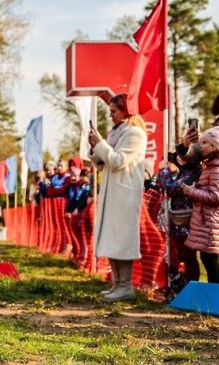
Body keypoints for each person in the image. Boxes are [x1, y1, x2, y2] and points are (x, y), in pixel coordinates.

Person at [89, 93, 147, 302]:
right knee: (112, 239)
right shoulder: (117, 132)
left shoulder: (135, 134)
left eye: (114, 111)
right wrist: (95, 147)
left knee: (122, 240)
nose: (111, 115)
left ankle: (126, 285)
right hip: (112, 194)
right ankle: (117, 283)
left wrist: (101, 145)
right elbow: (102, 163)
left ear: (125, 111)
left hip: (125, 195)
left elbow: (118, 160)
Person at [182, 127, 219, 284]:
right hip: (208, 220)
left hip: (212, 221)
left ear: (216, 146)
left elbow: (217, 196)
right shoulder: (213, 165)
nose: (201, 146)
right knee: (208, 259)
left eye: (205, 143)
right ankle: (214, 296)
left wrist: (192, 191)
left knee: (209, 259)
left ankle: (217, 297)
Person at [157, 153, 201, 291]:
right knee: (182, 255)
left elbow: (170, 188)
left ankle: (191, 287)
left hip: (186, 223)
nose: (178, 160)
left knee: (189, 257)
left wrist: (164, 170)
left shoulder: (190, 175)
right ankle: (183, 284)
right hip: (180, 222)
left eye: (182, 157)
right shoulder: (186, 173)